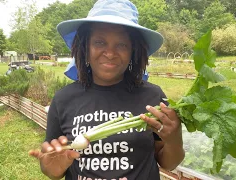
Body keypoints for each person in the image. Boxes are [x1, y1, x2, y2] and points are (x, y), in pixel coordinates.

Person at [29, 0, 185, 179]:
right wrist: (52, 168)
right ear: (85, 48)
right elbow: (53, 169)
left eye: (121, 45)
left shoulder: (153, 96)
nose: (110, 53)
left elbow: (168, 163)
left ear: (133, 51)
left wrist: (174, 139)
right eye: (99, 42)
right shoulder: (63, 99)